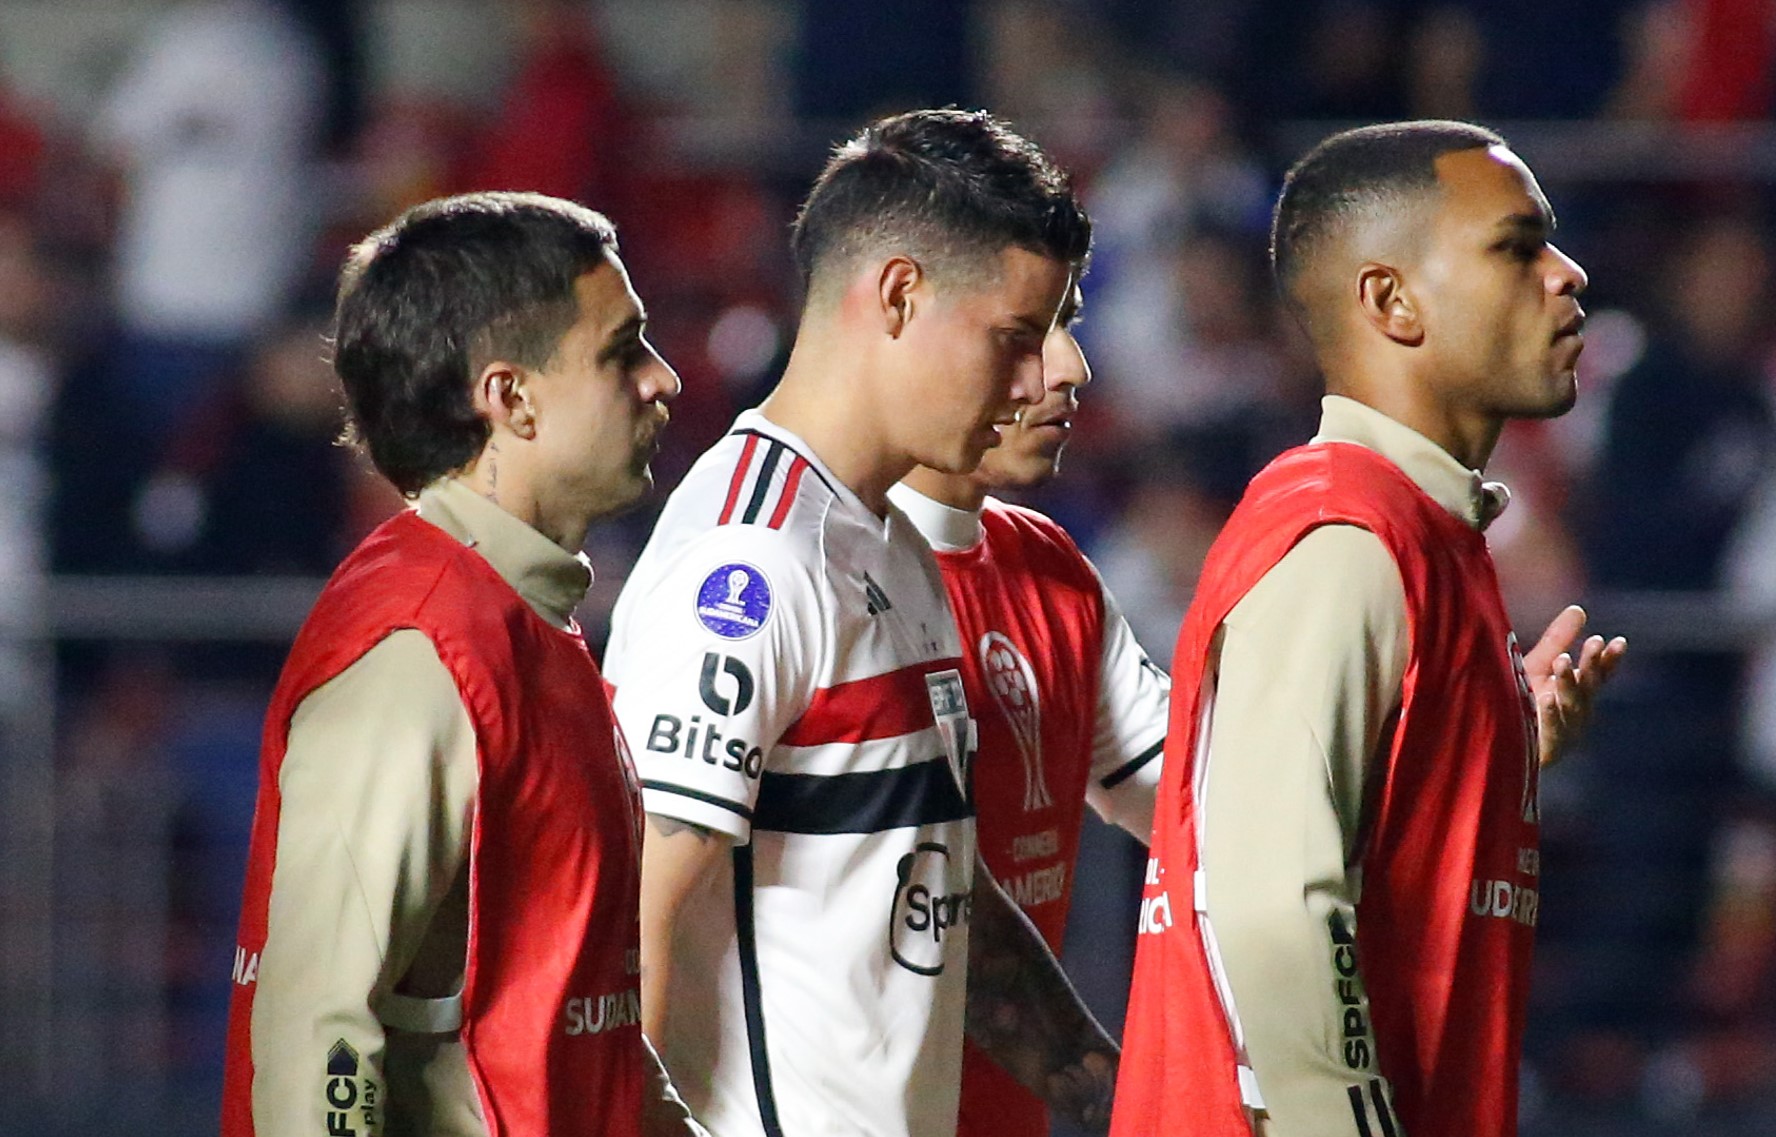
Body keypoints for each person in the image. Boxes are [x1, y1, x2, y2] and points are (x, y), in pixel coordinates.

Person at [603, 109, 1117, 1137]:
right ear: (896, 292)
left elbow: (936, 889)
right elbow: (626, 943)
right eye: (1015, 336)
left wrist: (1121, 1095)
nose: (1046, 379)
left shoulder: (886, 541)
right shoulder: (749, 562)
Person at [1112, 121, 1627, 1137]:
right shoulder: (1346, 536)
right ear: (1391, 301)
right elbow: (1267, 910)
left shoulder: (1425, 537)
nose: (1566, 275)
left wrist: (1499, 759)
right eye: (1517, 247)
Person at [222, 191, 696, 1137]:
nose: (663, 380)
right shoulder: (421, 646)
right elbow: (321, 1029)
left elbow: (576, 1022)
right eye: (622, 350)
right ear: (510, 398)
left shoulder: (513, 623)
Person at [886, 285, 1170, 1137]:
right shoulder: (815, 574)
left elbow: (1198, 801)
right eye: (1028, 334)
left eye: (1070, 330)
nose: (1072, 370)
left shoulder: (1048, 562)